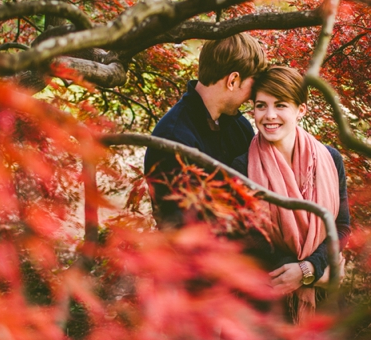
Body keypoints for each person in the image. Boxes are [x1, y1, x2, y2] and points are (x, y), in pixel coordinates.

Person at [232, 66, 351, 323]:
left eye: (281, 105)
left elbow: (341, 227)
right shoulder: (241, 168)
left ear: (301, 109)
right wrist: (312, 274)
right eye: (261, 105)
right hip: (269, 305)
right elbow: (251, 242)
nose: (269, 115)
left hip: (326, 303)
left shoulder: (330, 159)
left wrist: (309, 268)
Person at [144, 33, 267, 229]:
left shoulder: (239, 127)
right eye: (253, 84)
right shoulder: (173, 137)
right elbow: (179, 228)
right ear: (233, 80)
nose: (253, 97)